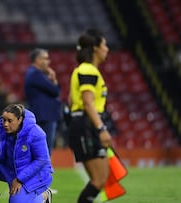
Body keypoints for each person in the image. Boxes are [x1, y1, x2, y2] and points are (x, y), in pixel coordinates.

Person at [67, 28, 112, 203]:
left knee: (101, 179)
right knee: (99, 179)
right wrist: (101, 128)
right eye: (104, 45)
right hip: (87, 125)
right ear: (95, 48)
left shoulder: (81, 70)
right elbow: (87, 103)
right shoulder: (88, 70)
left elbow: (71, 101)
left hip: (82, 124)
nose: (107, 49)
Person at [0, 103, 53, 203]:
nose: (5, 124)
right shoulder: (2, 128)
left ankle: (44, 196)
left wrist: (19, 179)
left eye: (9, 121)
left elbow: (42, 160)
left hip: (32, 174)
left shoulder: (36, 133)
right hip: (8, 169)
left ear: (20, 119)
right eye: (4, 120)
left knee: (16, 201)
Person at [24, 48, 61, 156]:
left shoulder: (33, 73)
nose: (48, 62)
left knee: (41, 150)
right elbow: (55, 91)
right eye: (45, 59)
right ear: (37, 60)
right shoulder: (35, 74)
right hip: (44, 116)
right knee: (44, 150)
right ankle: (43, 172)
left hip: (42, 115)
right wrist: (54, 79)